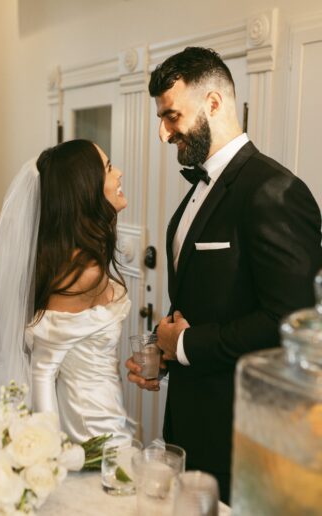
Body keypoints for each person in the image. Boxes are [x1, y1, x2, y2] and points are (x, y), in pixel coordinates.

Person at [126, 46, 322, 503]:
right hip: (189, 416)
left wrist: (189, 346)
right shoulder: (198, 191)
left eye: (172, 116)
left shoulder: (274, 190)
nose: (163, 132)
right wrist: (165, 351)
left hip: (240, 429)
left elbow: (292, 320)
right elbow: (202, 301)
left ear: (213, 103)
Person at [0, 139, 134, 443]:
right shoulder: (83, 273)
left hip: (106, 412)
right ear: (85, 189)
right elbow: (43, 371)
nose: (119, 174)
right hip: (89, 431)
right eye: (109, 168)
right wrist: (54, 452)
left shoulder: (81, 258)